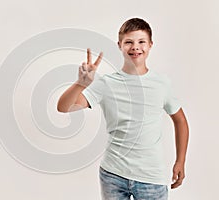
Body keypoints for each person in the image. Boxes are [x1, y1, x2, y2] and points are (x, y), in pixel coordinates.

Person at [57, 18, 189, 200]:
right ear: (119, 45)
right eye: (129, 42)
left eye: (141, 42)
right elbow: (63, 107)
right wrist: (80, 84)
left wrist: (180, 161)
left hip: (151, 178)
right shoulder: (106, 84)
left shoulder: (161, 84)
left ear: (150, 45)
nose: (135, 47)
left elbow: (180, 120)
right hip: (113, 175)